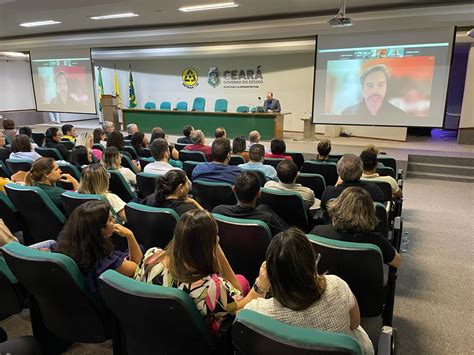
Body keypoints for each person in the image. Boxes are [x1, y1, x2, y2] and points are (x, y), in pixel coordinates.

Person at [244, 227, 374, 355]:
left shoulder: (257, 313)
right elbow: (355, 323)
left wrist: (259, 286)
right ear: (312, 261)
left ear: (271, 274)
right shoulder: (337, 287)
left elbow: (240, 319)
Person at [135, 209, 266, 333]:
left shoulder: (150, 256)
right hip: (198, 340)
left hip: (157, 328)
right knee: (241, 281)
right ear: (209, 244)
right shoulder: (212, 288)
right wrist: (261, 285)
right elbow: (240, 308)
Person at [54, 200, 142, 294]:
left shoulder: (67, 243)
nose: (114, 220)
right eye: (110, 220)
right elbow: (137, 265)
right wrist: (130, 235)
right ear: (99, 229)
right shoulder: (104, 262)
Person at [312, 187, 401, 268]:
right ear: (370, 213)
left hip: (327, 284)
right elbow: (397, 262)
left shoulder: (317, 232)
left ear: (337, 207)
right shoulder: (377, 241)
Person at [212, 170, 288, 237]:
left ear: (234, 189)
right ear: (259, 193)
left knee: (263, 207)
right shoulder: (267, 219)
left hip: (226, 253)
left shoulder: (217, 212)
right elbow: (286, 237)